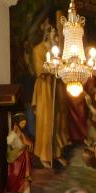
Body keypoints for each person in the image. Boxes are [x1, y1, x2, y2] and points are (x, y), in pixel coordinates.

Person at [32, 21, 58, 168]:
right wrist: (53, 69)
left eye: (55, 32)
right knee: (45, 121)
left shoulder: (56, 48)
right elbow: (39, 69)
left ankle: (55, 153)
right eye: (53, 31)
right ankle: (43, 155)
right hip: (44, 87)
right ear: (47, 33)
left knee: (56, 120)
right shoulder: (38, 49)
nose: (55, 34)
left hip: (54, 85)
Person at [5, 114, 33, 193]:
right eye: (22, 123)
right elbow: (9, 143)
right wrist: (16, 135)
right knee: (15, 178)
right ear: (16, 123)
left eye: (25, 124)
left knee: (24, 181)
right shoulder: (12, 134)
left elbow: (27, 143)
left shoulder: (21, 133)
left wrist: (28, 145)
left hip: (23, 161)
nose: (23, 125)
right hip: (16, 162)